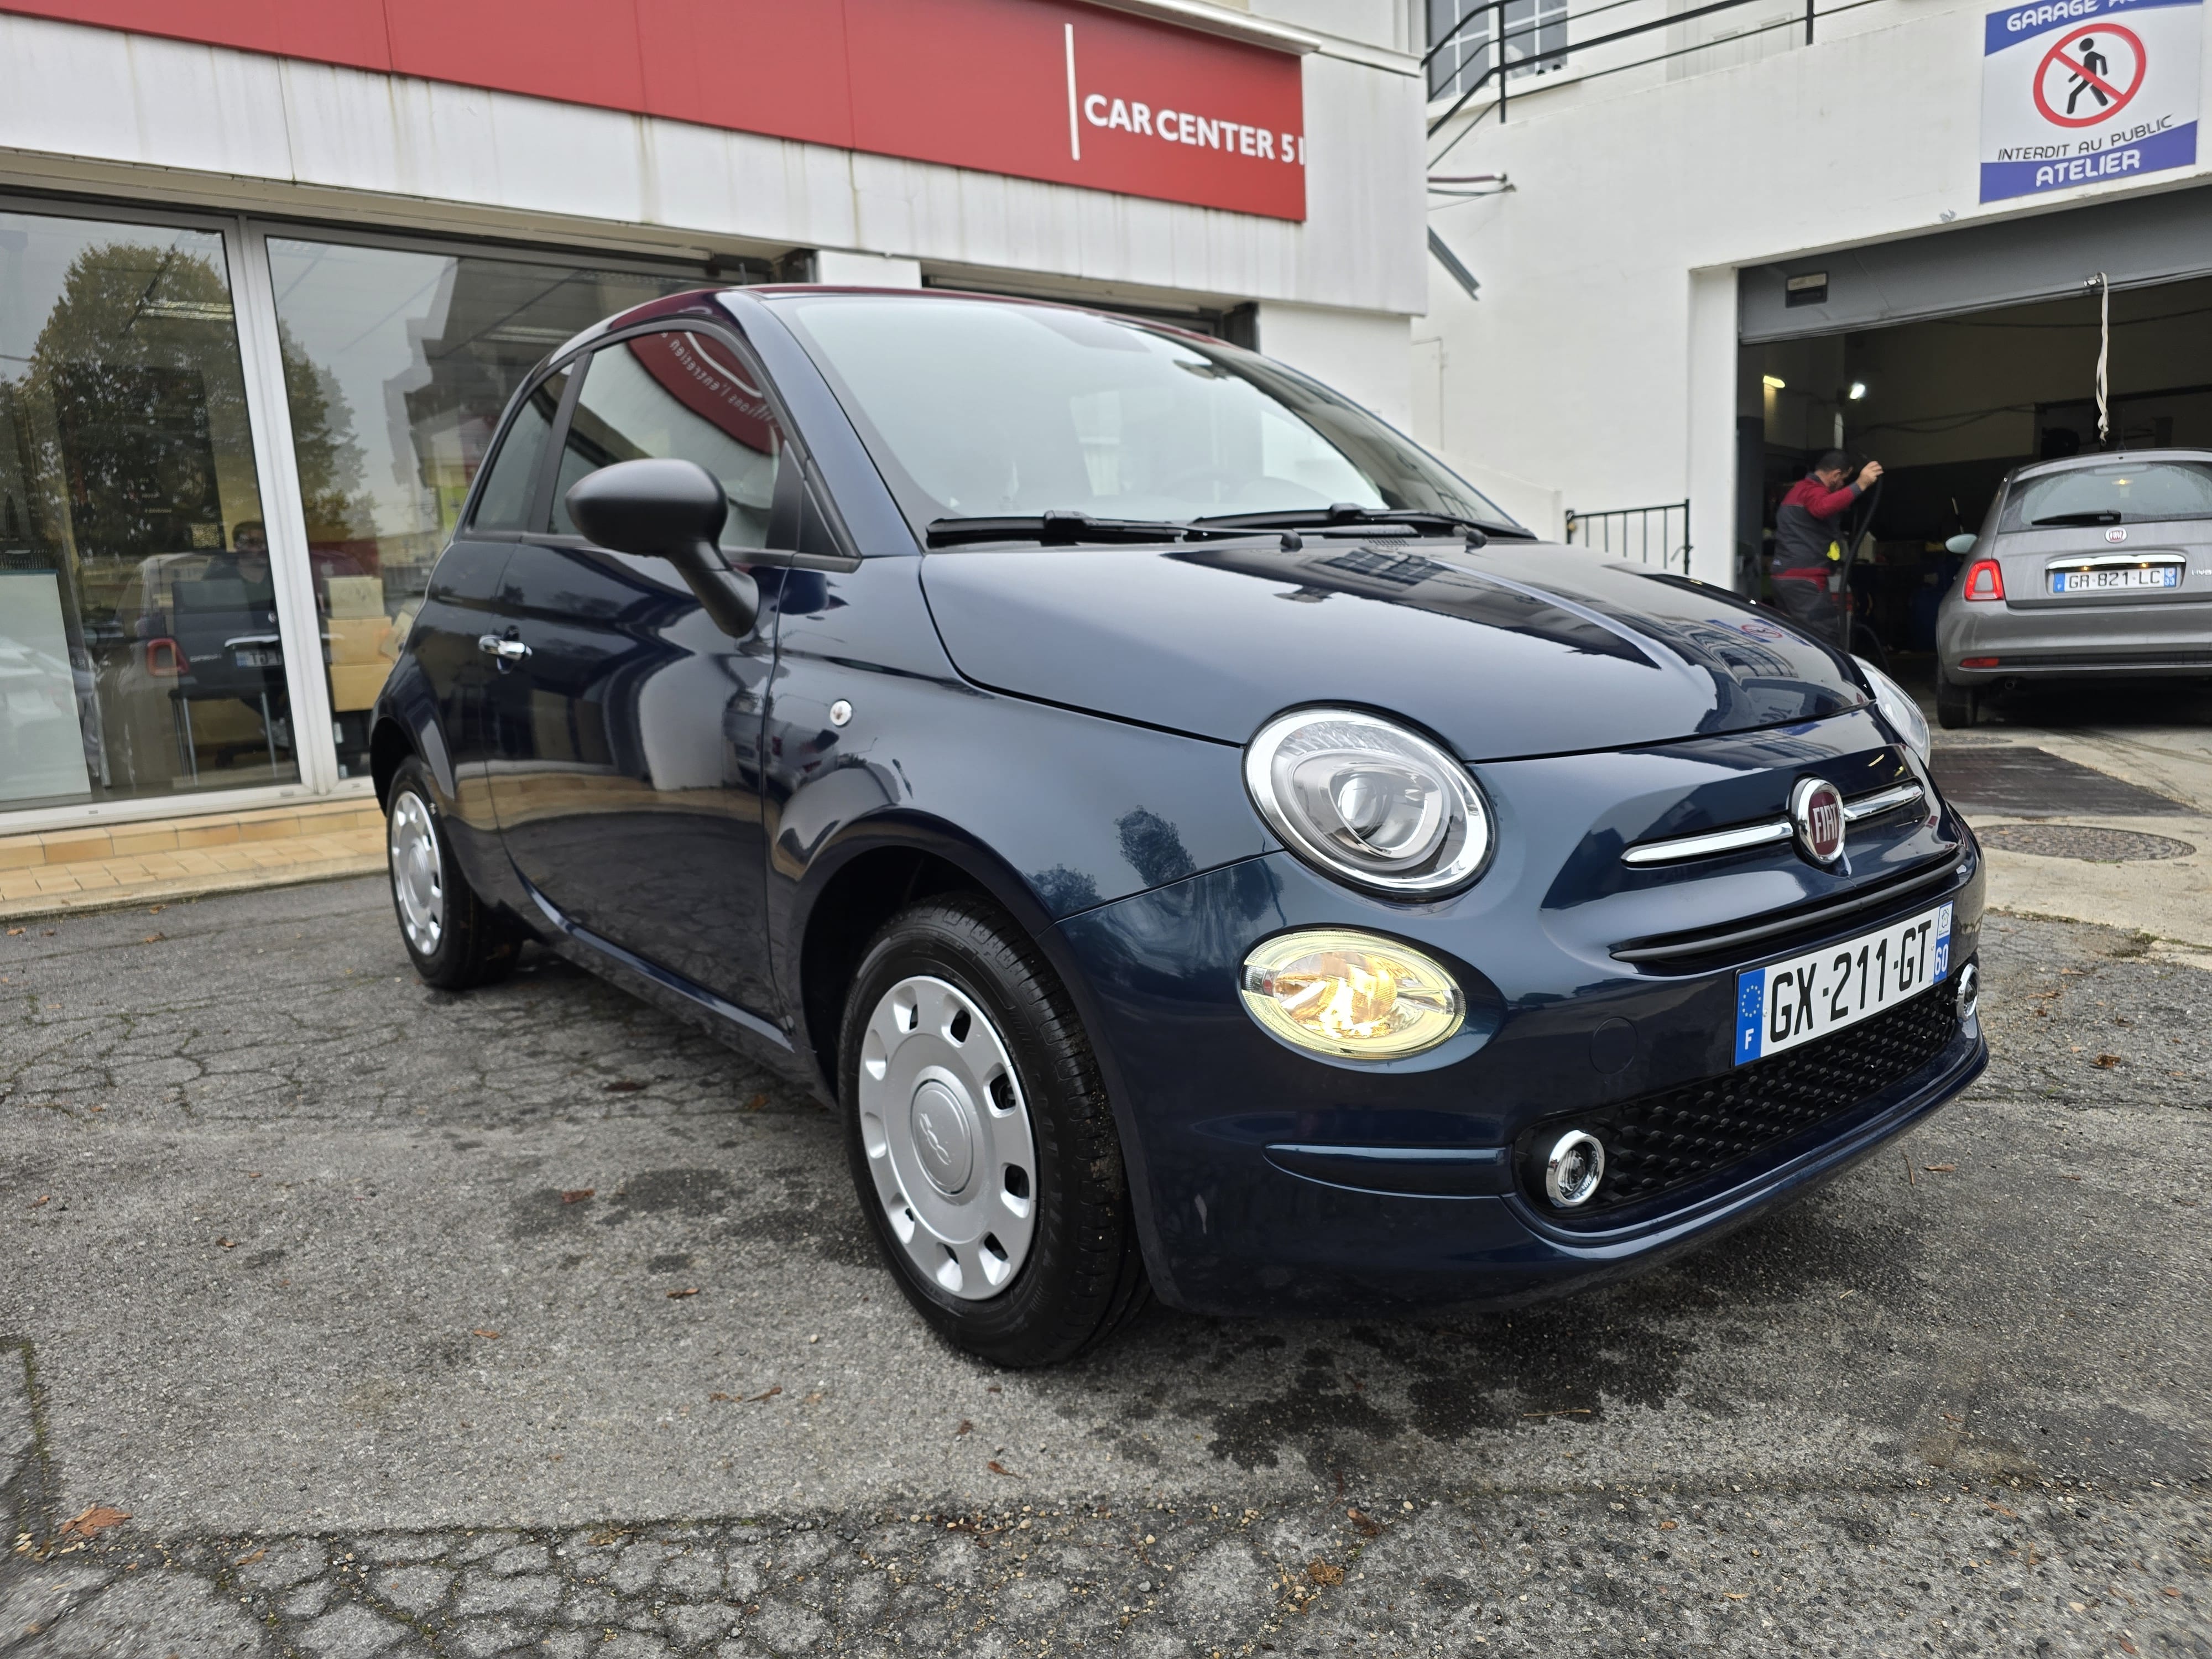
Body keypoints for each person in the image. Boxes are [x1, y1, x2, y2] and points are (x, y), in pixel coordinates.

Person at [1768, 450, 1881, 639]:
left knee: (1792, 637)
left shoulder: (1797, 491)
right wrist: (1861, 485)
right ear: (1836, 474)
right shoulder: (1814, 492)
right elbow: (1822, 507)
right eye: (1843, 479)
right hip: (1806, 580)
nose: (1843, 485)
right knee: (1822, 638)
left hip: (1783, 578)